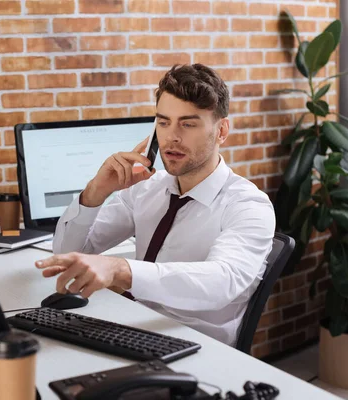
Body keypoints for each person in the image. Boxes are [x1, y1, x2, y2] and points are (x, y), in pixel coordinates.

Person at [35, 64, 275, 346]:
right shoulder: (147, 187)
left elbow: (221, 281)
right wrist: (95, 192)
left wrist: (120, 270)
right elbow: (69, 254)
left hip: (196, 346)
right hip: (131, 326)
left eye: (188, 124)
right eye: (163, 122)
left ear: (221, 131)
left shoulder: (249, 205)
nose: (171, 137)